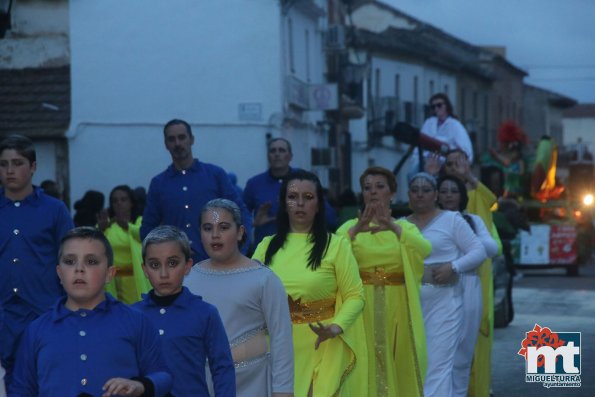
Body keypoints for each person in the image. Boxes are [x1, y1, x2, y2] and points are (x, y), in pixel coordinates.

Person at [9, 227, 172, 396]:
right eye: (70, 261)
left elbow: (163, 376)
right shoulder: (36, 330)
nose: (79, 269)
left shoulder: (136, 322)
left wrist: (140, 386)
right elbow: (20, 390)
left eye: (91, 261)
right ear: (59, 273)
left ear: (110, 274)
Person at [252, 170, 367, 397]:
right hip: (277, 345)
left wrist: (336, 327)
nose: (300, 203)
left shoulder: (336, 246)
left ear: (318, 205)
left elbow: (355, 295)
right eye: (293, 197)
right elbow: (250, 294)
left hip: (322, 343)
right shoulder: (266, 246)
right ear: (284, 203)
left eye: (308, 197)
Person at [336, 167, 431, 397]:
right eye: (367, 188)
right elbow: (334, 254)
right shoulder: (349, 228)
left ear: (392, 193)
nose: (373, 192)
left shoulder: (404, 228)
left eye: (380, 187)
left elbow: (425, 250)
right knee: (365, 356)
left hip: (397, 304)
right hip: (362, 305)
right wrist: (357, 228)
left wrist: (392, 226)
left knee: (397, 355)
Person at [185, 199, 294, 397]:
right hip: (202, 384)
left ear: (240, 232)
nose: (215, 235)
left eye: (224, 227)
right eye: (208, 228)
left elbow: (281, 339)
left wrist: (283, 391)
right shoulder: (189, 279)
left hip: (254, 382)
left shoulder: (263, 279)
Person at [0, 134, 74, 385]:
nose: (10, 170)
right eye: (4, 164)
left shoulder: (54, 210)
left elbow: (73, 261)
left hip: (45, 310)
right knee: (9, 383)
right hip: (4, 315)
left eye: (18, 163)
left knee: (49, 377)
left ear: (33, 167)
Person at [406, 173, 486, 397]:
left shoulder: (451, 220)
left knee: (438, 364)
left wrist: (454, 266)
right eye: (415, 189)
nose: (420, 194)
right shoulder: (400, 225)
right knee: (416, 362)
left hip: (445, 302)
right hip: (409, 304)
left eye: (426, 189)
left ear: (435, 195)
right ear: (408, 195)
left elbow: (478, 251)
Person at [133, 225, 235, 396]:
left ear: (187, 266)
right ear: (145, 269)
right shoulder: (132, 316)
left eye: (172, 263)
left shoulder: (205, 313)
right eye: (155, 265)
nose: (163, 273)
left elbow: (222, 368)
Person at [140, 118, 252, 263]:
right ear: (166, 144)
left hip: (218, 264)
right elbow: (148, 229)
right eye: (172, 139)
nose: (178, 143)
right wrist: (166, 253)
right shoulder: (158, 184)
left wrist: (239, 251)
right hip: (179, 271)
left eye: (182, 137)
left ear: (192, 139)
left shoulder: (215, 175)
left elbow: (241, 213)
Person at [439, 148, 499, 397]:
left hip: (472, 284)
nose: (449, 195)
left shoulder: (475, 211)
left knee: (466, 351)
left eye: (459, 163)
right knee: (439, 354)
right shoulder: (428, 218)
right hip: (438, 292)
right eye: (450, 164)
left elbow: (489, 246)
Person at [243, 138, 337, 249]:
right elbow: (239, 218)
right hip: (266, 250)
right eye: (273, 151)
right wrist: (253, 223)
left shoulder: (305, 181)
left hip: (302, 248)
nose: (277, 154)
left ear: (290, 156)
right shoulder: (254, 184)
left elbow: (328, 216)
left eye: (281, 150)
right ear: (268, 156)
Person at [98, 185, 151, 304]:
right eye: (114, 200)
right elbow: (93, 245)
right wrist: (100, 230)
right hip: (112, 282)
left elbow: (145, 236)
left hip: (136, 278)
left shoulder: (140, 222)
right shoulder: (107, 226)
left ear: (131, 202)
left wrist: (127, 226)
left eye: (123, 199)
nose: (119, 203)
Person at [411, 93, 473, 175]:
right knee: (412, 172)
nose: (436, 108)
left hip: (445, 163)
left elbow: (466, 150)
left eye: (439, 105)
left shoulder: (455, 125)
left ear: (447, 105)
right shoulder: (429, 123)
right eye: (433, 107)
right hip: (426, 161)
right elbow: (419, 143)